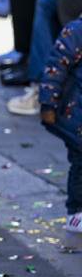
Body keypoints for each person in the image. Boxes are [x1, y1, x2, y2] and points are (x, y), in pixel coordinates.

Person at [38, 18, 82, 231]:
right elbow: (55, 68)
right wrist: (48, 103)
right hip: (78, 117)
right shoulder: (76, 32)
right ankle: (77, 213)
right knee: (80, 165)